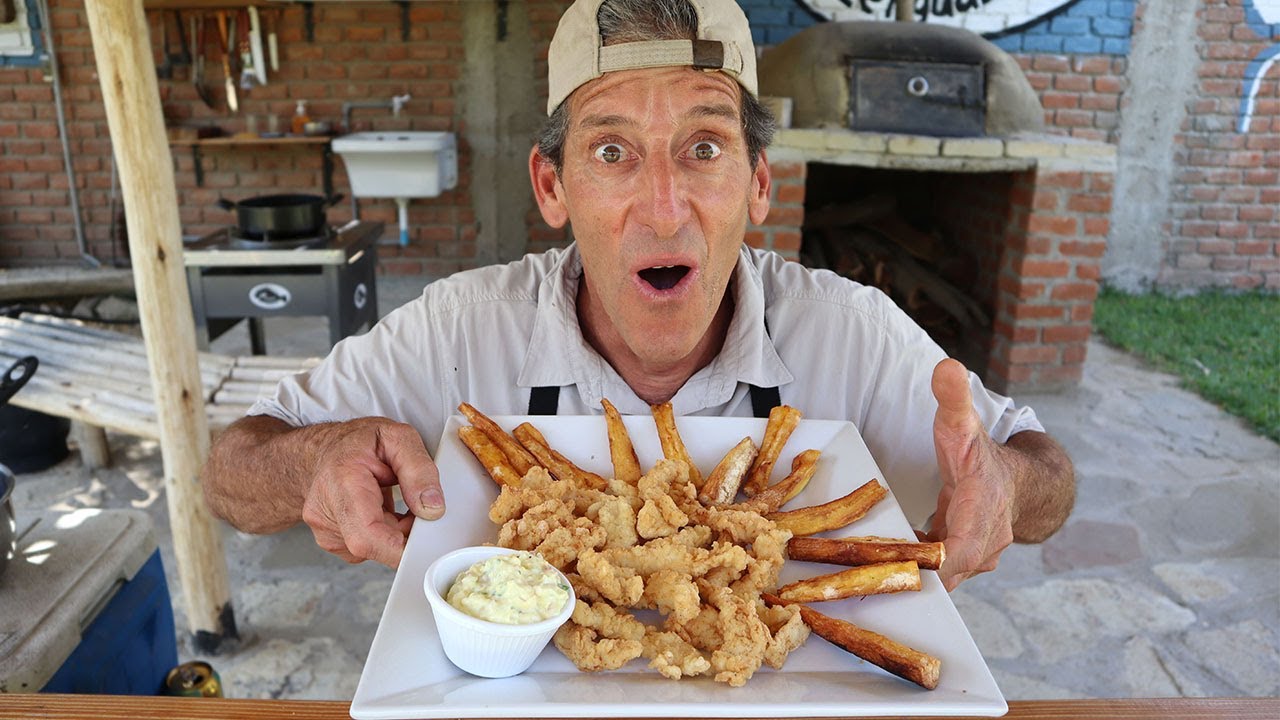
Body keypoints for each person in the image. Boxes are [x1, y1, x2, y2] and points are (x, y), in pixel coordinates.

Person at [202, 0, 1074, 591]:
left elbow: (1046, 474)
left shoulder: (851, 333)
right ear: (552, 188)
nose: (664, 210)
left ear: (759, 183)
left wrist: (1002, 480)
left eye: (704, 148)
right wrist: (314, 461)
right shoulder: (462, 329)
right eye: (613, 153)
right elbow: (231, 471)